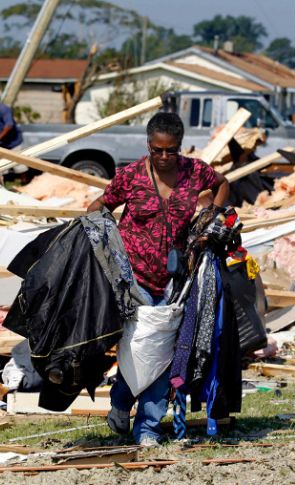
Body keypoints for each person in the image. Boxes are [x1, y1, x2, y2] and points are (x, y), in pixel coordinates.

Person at [87, 112, 230, 447]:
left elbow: (222, 184)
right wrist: (84, 236)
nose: (165, 157)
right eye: (158, 150)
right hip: (131, 278)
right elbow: (101, 204)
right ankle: (122, 401)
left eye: (172, 150)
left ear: (180, 147)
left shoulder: (195, 171)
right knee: (138, 349)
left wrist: (213, 215)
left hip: (172, 278)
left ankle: (148, 427)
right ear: (148, 145)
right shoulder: (131, 175)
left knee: (162, 353)